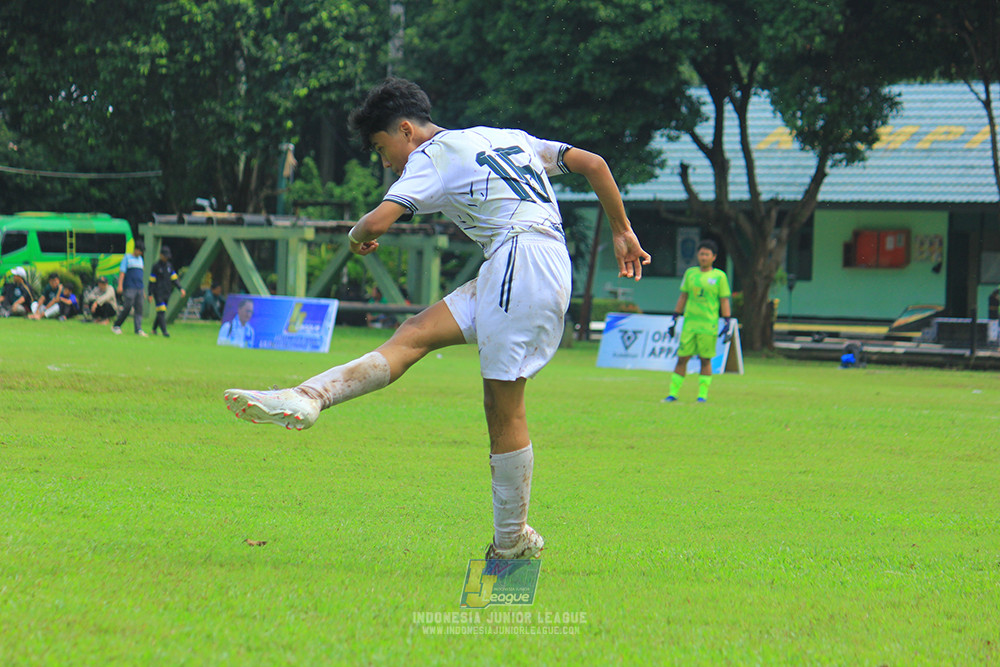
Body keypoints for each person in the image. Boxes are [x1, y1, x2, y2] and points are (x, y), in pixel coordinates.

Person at [224, 77, 651, 560]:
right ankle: (309, 396)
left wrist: (356, 237)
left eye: (382, 149)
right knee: (414, 334)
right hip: (522, 261)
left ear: (406, 130)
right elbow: (594, 164)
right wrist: (622, 230)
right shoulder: (502, 135)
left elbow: (376, 222)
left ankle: (510, 542)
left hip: (521, 263)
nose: (386, 163)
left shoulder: (431, 157)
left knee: (503, 406)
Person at [663, 239, 732, 403]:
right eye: (701, 254)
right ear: (697, 255)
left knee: (705, 359)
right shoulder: (690, 274)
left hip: (708, 324)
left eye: (707, 254)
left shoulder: (719, 276)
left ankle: (702, 395)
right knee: (682, 358)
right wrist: (675, 316)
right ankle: (673, 393)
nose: (704, 257)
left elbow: (724, 300)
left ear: (714, 257)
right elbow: (683, 296)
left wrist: (727, 321)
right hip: (690, 324)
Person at [148, 245, 186, 337]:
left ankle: (154, 329)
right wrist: (150, 293)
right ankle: (164, 331)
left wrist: (180, 288)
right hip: (158, 293)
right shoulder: (156, 266)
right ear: (161, 255)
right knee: (161, 311)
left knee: (162, 311)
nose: (166, 258)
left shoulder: (169, 266)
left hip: (167, 292)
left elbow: (174, 279)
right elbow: (152, 281)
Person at [112, 240, 147, 336]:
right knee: (127, 306)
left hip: (139, 287)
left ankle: (138, 329)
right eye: (140, 251)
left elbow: (141, 276)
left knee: (139, 308)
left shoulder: (141, 260)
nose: (141, 253)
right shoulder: (127, 258)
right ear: (136, 249)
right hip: (130, 287)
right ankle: (117, 325)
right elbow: (122, 273)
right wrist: (120, 285)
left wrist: (143, 290)